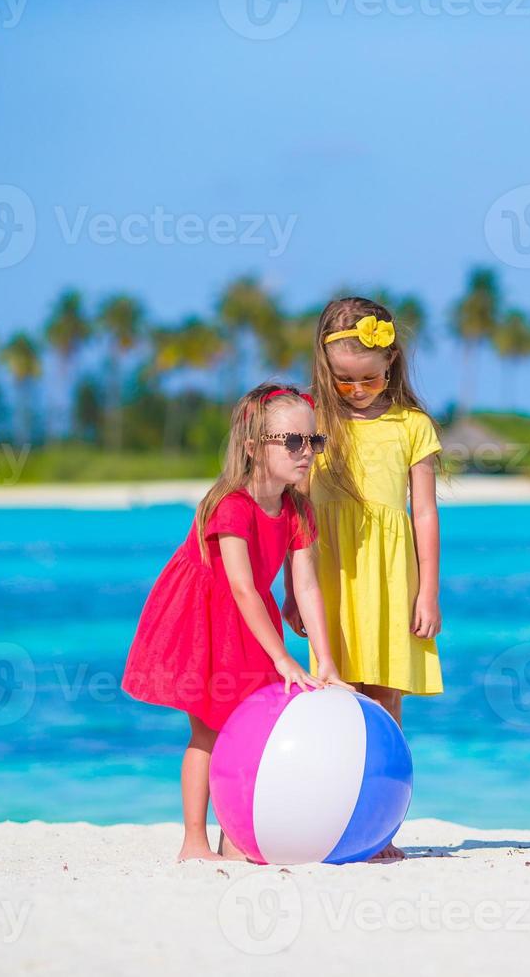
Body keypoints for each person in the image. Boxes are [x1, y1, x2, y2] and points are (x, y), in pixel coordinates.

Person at [122, 383, 350, 861]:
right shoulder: (232, 505)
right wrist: (283, 657)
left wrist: (323, 660)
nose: (306, 453)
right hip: (204, 617)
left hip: (251, 618)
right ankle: (194, 842)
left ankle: (237, 839)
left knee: (253, 730)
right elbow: (242, 586)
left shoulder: (297, 508)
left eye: (314, 442)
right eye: (292, 442)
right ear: (253, 447)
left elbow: (305, 587)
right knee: (208, 729)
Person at [286, 297, 444, 861]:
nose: (357, 390)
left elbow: (424, 512)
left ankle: (380, 828)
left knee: (385, 701)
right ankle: (331, 820)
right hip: (330, 575)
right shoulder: (310, 424)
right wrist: (290, 587)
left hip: (391, 581)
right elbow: (295, 512)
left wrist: (427, 591)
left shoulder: (413, 426)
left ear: (392, 364)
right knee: (334, 696)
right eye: (345, 379)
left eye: (369, 378)